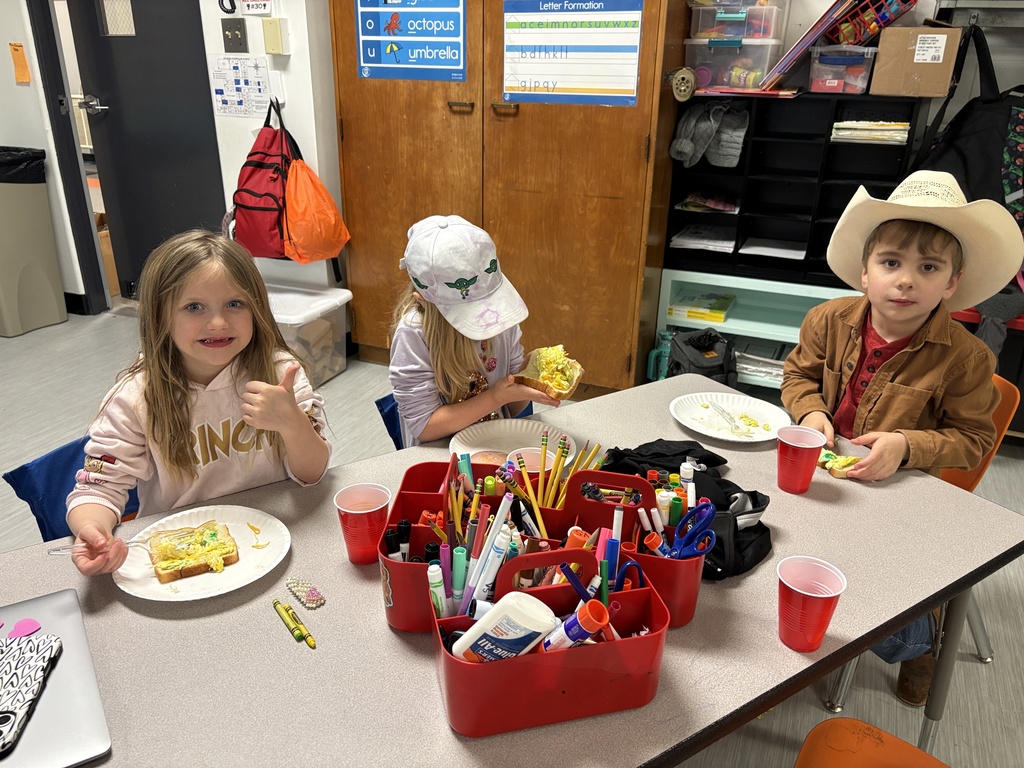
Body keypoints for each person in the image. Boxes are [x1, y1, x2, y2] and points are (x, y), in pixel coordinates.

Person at [782, 170, 1024, 706]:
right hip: (823, 470)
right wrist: (812, 412)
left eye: (928, 267)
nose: (907, 281)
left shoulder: (967, 357)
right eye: (891, 263)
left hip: (901, 488)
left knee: (894, 602)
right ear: (865, 273)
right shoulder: (826, 319)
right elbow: (797, 376)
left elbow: (972, 439)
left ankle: (921, 643)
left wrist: (908, 446)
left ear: (951, 283)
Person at [67, 230, 331, 576]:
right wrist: (94, 530)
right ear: (161, 317)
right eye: (194, 307)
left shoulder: (280, 372)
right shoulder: (135, 399)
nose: (219, 323)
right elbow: (98, 489)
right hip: (180, 551)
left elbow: (313, 475)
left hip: (276, 536)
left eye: (235, 304)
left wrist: (293, 424)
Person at [388, 215, 560, 447]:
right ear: (423, 300)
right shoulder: (414, 333)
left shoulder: (502, 318)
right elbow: (425, 427)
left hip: (497, 444)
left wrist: (526, 376)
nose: (487, 319)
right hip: (440, 454)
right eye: (470, 311)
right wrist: (496, 396)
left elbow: (511, 408)